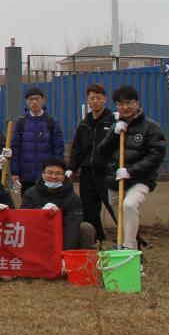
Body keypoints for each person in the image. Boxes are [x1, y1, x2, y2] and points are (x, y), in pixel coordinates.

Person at [97, 85, 167, 253]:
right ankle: (132, 252)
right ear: (116, 105)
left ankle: (128, 250)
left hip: (140, 179)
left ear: (137, 103)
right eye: (120, 104)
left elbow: (156, 155)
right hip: (116, 180)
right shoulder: (115, 126)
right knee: (122, 219)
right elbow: (102, 152)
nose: (125, 107)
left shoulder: (150, 127)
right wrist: (113, 133)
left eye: (129, 102)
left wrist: (131, 171)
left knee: (129, 205)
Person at [66, 83, 113, 245]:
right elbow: (77, 149)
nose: (95, 101)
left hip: (106, 173)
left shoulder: (112, 121)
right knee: (89, 210)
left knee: (114, 207)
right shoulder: (84, 123)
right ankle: (96, 240)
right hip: (87, 174)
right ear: (87, 100)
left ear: (105, 99)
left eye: (98, 98)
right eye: (92, 98)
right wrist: (71, 168)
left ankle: (132, 241)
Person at [21, 158, 95, 251]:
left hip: (62, 234)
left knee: (86, 228)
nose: (53, 176)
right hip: (38, 233)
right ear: (42, 174)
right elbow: (23, 218)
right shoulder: (30, 193)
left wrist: (64, 253)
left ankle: (82, 258)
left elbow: (72, 226)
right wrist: (40, 212)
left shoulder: (73, 198)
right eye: (50, 173)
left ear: (64, 177)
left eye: (58, 173)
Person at [10, 88, 65, 194]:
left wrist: (58, 171)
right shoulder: (20, 123)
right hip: (26, 175)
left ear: (43, 100)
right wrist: (14, 172)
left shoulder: (51, 123)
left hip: (48, 176)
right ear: (26, 102)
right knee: (28, 201)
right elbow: (15, 149)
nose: (34, 102)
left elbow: (58, 148)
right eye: (30, 99)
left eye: (37, 99)